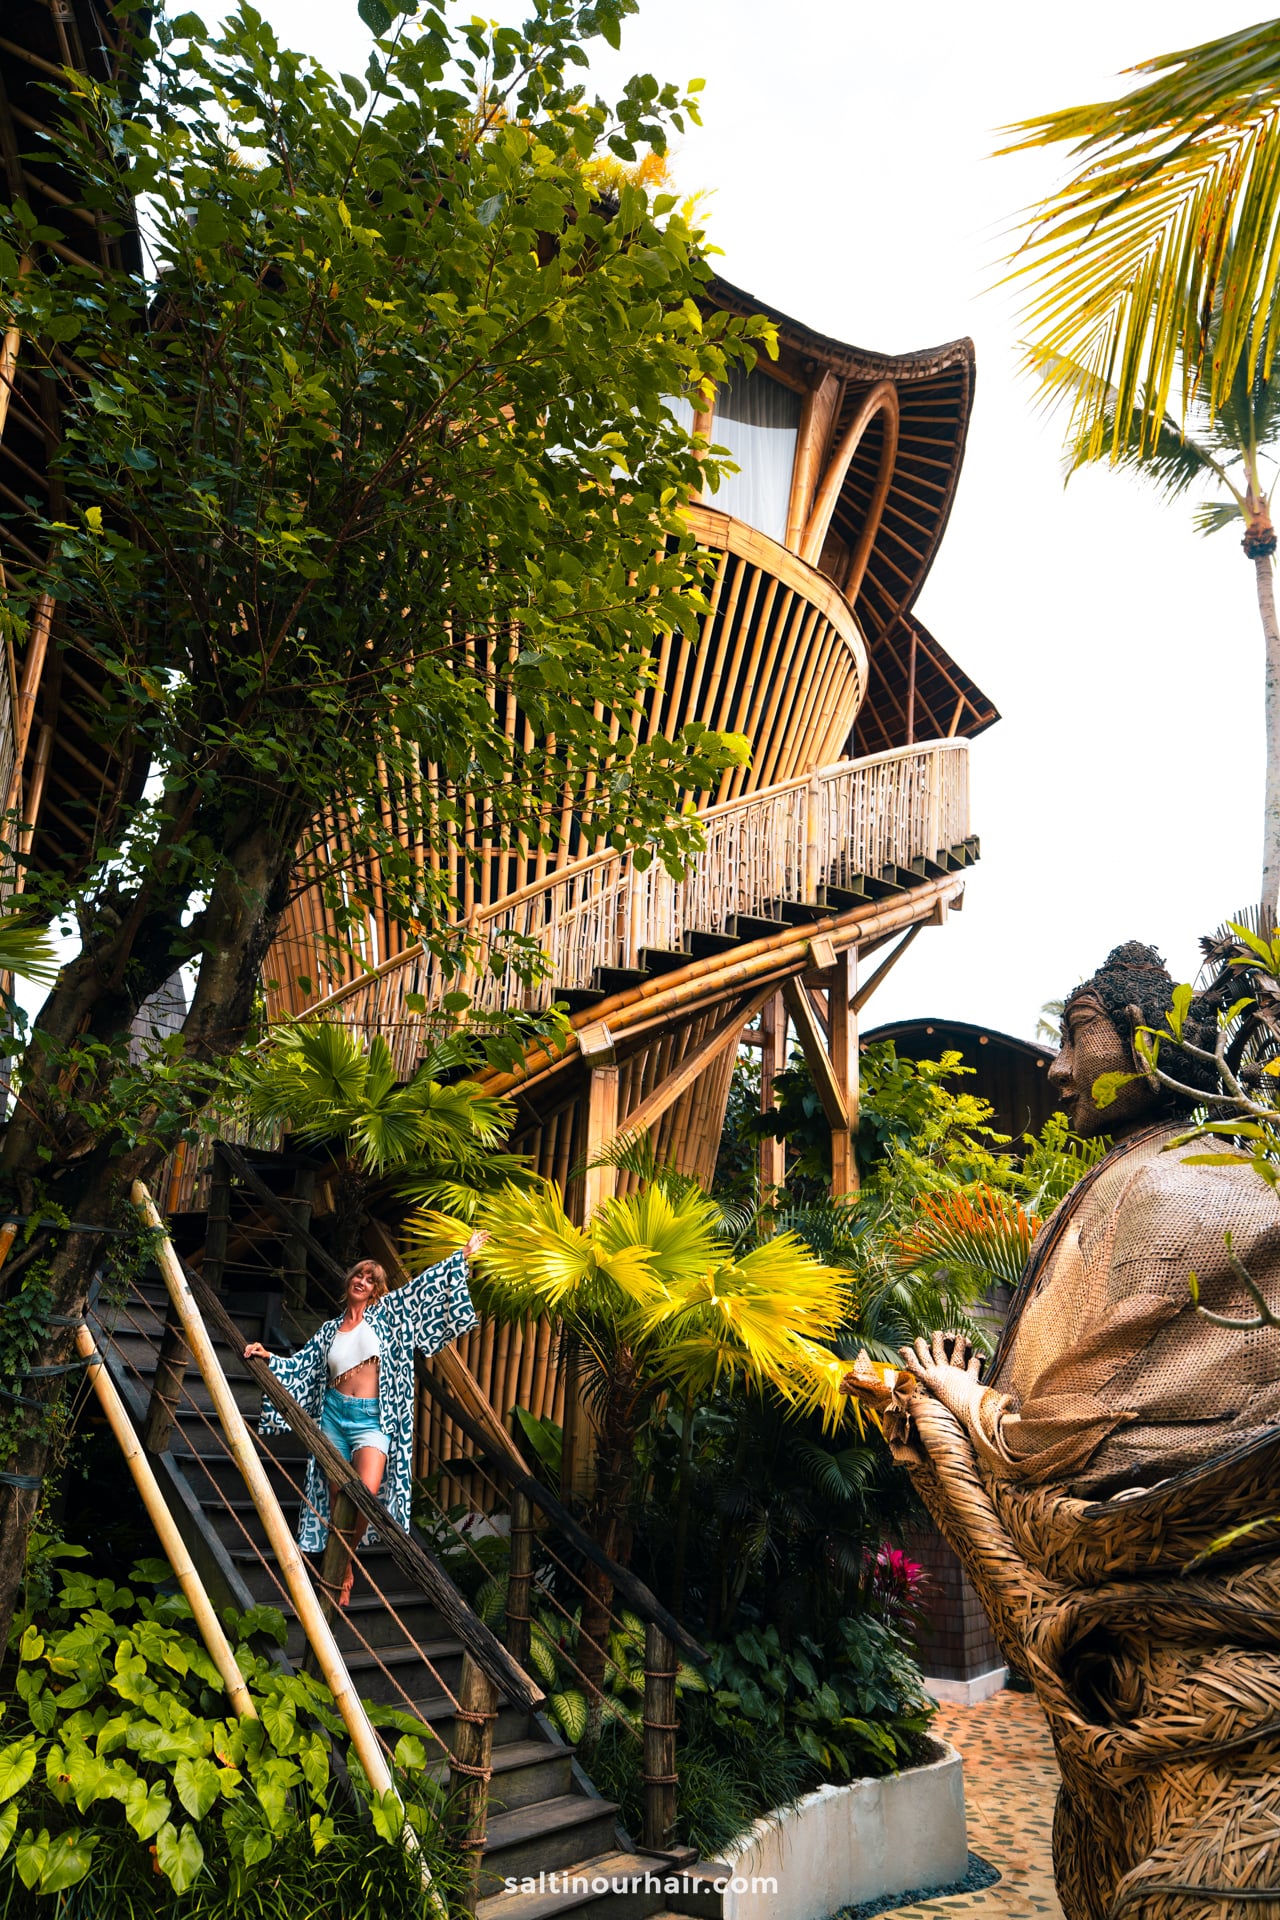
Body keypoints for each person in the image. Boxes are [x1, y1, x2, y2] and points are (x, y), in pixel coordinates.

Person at [843, 942, 1280, 1920]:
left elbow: (1069, 1444)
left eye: (1075, 1033)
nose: (1051, 1067)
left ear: (1151, 1042)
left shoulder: (1170, 1189)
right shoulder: (1221, 1172)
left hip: (1178, 1678)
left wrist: (956, 1399)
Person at [245, 1236, 487, 1604]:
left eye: (371, 1279)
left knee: (365, 1495)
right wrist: (267, 1356)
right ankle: (342, 1569)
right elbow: (301, 1366)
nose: (362, 1281)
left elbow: (422, 1290)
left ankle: (343, 1559)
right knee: (340, 1495)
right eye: (359, 1275)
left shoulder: (388, 1315)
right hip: (333, 1417)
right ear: (349, 1282)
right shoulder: (329, 1331)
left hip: (372, 1420)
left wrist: (463, 1256)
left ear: (377, 1290)